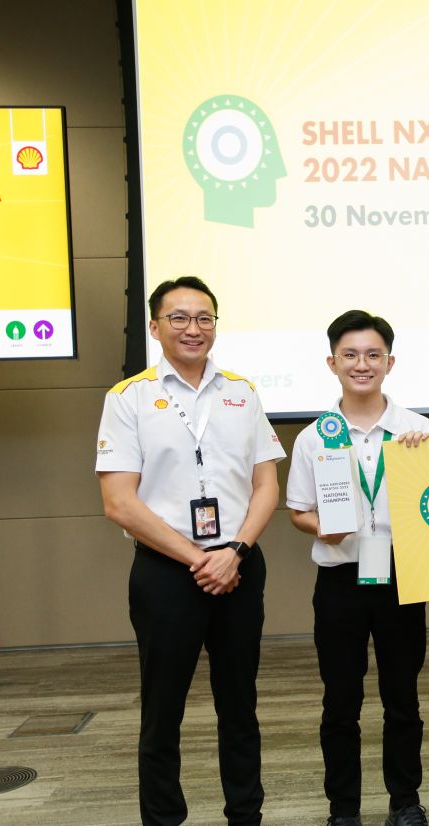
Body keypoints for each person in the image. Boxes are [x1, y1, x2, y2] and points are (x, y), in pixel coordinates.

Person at [96, 276, 285, 825]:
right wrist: (199, 558)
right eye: (178, 317)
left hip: (239, 567)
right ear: (155, 327)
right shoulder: (128, 398)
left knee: (240, 707)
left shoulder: (242, 391)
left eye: (204, 317)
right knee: (162, 711)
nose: (192, 328)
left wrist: (236, 551)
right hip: (166, 575)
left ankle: (245, 815)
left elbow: (266, 485)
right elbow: (118, 502)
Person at [285, 310, 429, 826]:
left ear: (390, 362)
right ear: (332, 362)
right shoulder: (312, 437)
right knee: (340, 702)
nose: (362, 364)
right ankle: (343, 810)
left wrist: (428, 458)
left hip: (401, 578)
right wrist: (319, 526)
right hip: (339, 582)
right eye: (350, 355)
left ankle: (405, 802)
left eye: (373, 355)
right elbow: (298, 511)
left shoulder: (420, 430)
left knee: (403, 700)